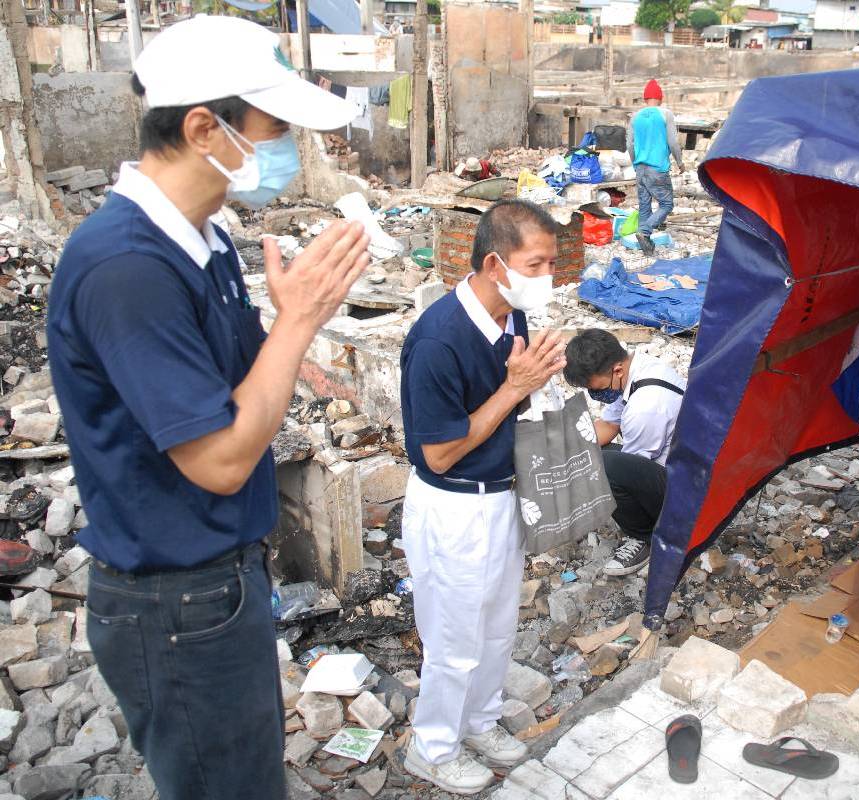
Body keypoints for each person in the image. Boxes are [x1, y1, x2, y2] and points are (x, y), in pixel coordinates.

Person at [46, 16, 368, 800]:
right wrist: (298, 322)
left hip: (220, 584)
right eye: (275, 126)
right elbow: (222, 457)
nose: (289, 145)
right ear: (202, 126)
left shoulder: (207, 237)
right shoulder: (128, 268)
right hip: (173, 601)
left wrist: (289, 326)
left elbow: (244, 390)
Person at [399, 199, 566, 795]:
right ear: (497, 264)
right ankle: (433, 747)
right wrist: (514, 387)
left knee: (495, 628)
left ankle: (480, 721)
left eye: (553, 262)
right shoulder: (439, 339)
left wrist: (534, 388)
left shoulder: (510, 319)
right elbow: (439, 453)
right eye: (537, 263)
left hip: (501, 497)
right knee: (453, 640)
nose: (549, 275)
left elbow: (514, 405)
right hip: (453, 505)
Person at [563, 329, 686, 576]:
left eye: (595, 388)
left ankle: (644, 537)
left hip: (685, 490)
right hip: (666, 461)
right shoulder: (634, 370)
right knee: (590, 452)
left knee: (600, 468)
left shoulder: (646, 405)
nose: (595, 395)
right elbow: (608, 425)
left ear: (617, 370)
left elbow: (629, 466)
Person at [627, 79, 683, 257]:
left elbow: (629, 144)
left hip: (640, 168)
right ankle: (645, 232)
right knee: (666, 204)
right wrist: (680, 162)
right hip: (657, 168)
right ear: (660, 98)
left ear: (645, 98)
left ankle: (647, 249)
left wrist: (635, 163)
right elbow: (673, 142)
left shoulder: (635, 117)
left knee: (644, 205)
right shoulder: (666, 114)